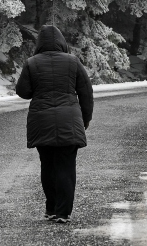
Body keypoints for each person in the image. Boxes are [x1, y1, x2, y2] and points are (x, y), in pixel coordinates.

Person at [15, 25, 94, 224]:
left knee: (48, 166)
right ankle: (63, 212)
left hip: (41, 122)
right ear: (61, 42)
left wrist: (39, 89)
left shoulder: (32, 63)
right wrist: (85, 119)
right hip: (70, 120)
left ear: (39, 43)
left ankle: (51, 208)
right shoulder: (73, 61)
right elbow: (86, 93)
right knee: (66, 167)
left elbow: (23, 91)